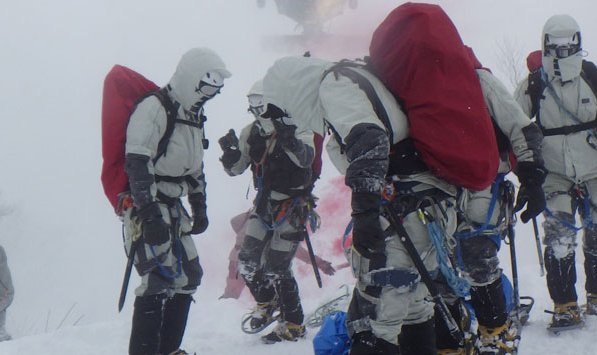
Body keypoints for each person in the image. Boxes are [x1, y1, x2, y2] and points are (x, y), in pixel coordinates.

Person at [259, 53, 457, 355]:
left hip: (402, 209)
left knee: (374, 319)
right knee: (412, 307)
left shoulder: (334, 86)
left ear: (292, 89)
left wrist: (365, 213)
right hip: (425, 206)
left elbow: (371, 141)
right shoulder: (353, 78)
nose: (287, 117)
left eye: (283, 108)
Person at [514, 15, 597, 331]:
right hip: (554, 172)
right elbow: (512, 122)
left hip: (596, 167)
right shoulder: (533, 84)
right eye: (555, 47)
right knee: (559, 236)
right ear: (545, 45)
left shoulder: (595, 76)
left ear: (578, 43)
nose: (562, 52)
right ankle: (565, 305)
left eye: (568, 46)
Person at [123, 47, 231, 355]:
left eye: (216, 88)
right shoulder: (155, 108)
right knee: (158, 281)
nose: (211, 93)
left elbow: (195, 168)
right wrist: (148, 213)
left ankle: (168, 349)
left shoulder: (192, 115)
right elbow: (137, 160)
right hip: (149, 203)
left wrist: (200, 207)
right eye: (207, 85)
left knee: (188, 277)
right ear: (191, 77)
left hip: (174, 206)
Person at [442, 62, 545, 354]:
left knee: (473, 256)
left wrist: (531, 177)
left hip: (482, 183)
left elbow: (521, 127)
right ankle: (485, 328)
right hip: (454, 183)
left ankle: (492, 330)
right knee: (450, 260)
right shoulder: (467, 80)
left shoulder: (477, 81)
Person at [219, 76, 317, 344]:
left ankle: (294, 323)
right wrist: (229, 155)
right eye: (253, 102)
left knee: (278, 267)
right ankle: (267, 301)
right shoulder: (250, 132)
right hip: (263, 205)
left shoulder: (298, 127)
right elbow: (236, 168)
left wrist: (287, 136)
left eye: (260, 101)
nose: (256, 107)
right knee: (247, 261)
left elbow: (306, 159)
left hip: (292, 205)